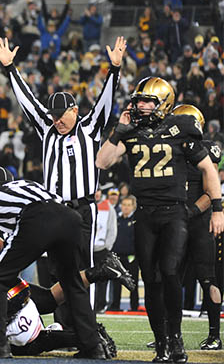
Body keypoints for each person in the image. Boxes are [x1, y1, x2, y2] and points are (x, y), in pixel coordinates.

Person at [0, 36, 126, 312]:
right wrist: (10, 68)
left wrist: (114, 69)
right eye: (52, 115)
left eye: (61, 115)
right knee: (57, 272)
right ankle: (65, 327)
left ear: (75, 110)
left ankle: (82, 326)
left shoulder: (90, 126)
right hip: (53, 210)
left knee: (79, 271)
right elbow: (27, 100)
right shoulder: (47, 128)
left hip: (82, 209)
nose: (56, 120)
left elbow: (105, 100)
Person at [96, 77, 224, 363]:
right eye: (138, 100)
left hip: (174, 212)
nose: (140, 105)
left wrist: (217, 208)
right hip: (145, 213)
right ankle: (162, 341)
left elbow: (208, 169)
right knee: (151, 279)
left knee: (168, 271)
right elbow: (101, 162)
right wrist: (119, 131)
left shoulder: (181, 128)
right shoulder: (130, 132)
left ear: (163, 104)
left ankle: (176, 338)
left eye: (147, 101)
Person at [0, 178, 108, 359]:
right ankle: (93, 346)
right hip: (70, 217)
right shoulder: (21, 186)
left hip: (40, 217)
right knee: (71, 283)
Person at [172, 105, 223, 350]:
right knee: (169, 278)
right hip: (175, 222)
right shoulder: (170, 149)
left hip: (198, 223)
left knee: (208, 279)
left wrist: (189, 212)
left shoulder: (207, 149)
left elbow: (210, 191)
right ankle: (170, 333)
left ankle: (215, 334)